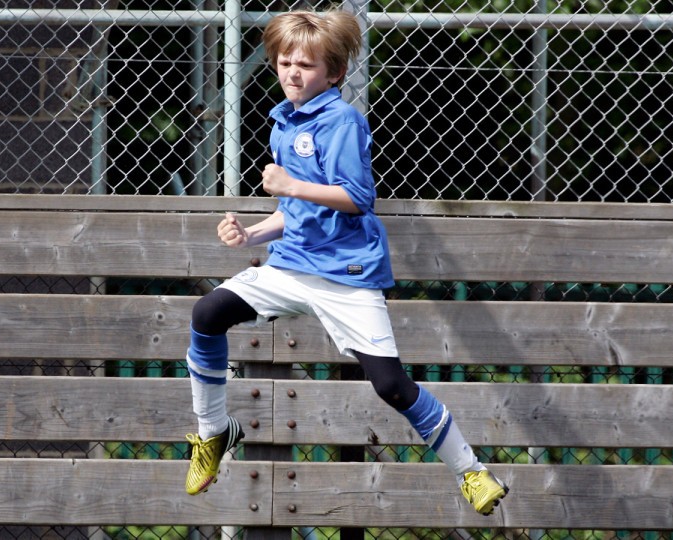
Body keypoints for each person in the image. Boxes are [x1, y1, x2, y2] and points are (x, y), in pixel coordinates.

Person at [183, 9, 509, 516]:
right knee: (207, 315)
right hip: (290, 266)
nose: (293, 72)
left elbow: (357, 197)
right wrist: (251, 233)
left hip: (346, 275)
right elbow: (294, 212)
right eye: (285, 62)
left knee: (391, 386)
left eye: (307, 65)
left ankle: (472, 471)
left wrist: (291, 185)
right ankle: (214, 433)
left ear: (333, 73)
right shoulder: (282, 121)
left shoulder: (342, 121)